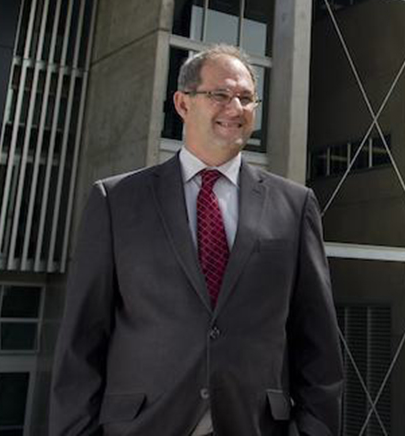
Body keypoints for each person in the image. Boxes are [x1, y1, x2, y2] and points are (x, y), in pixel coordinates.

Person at [50, 45, 343, 436]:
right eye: (220, 95)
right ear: (183, 103)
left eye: (246, 98)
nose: (235, 108)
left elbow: (318, 342)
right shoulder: (116, 201)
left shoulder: (295, 204)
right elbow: (81, 342)